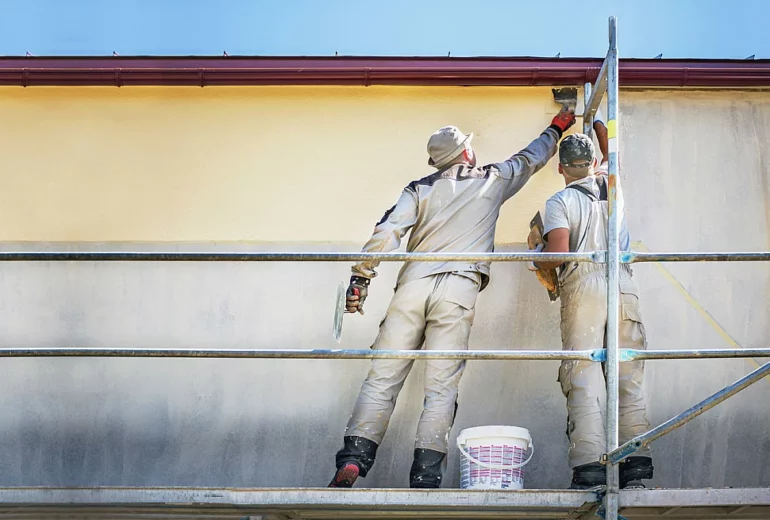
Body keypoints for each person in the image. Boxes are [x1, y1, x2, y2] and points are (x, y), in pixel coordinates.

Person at [328, 108, 576, 489]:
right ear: (466, 153)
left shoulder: (418, 189)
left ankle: (354, 460)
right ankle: (425, 475)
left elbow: (387, 231)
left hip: (412, 287)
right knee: (441, 387)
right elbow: (530, 159)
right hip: (458, 289)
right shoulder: (492, 180)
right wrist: (557, 127)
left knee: (381, 379)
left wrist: (361, 278)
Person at [533, 116, 654, 489]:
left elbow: (558, 256)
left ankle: (590, 468)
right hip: (622, 282)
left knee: (584, 375)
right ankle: (636, 467)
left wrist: (536, 250)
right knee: (627, 373)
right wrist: (600, 122)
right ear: (594, 163)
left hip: (584, 284)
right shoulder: (613, 185)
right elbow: (611, 151)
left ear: (560, 167)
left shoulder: (561, 200)